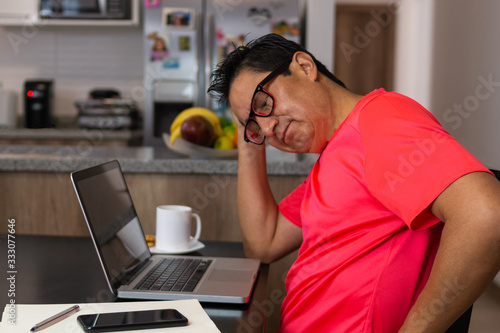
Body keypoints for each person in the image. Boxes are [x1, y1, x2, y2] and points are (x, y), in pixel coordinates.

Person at [208, 33, 500, 332]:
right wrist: (248, 136)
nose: (268, 129)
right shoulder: (334, 156)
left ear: (305, 67)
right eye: (255, 126)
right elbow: (263, 243)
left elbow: (487, 215)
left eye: (263, 102)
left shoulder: (378, 121)